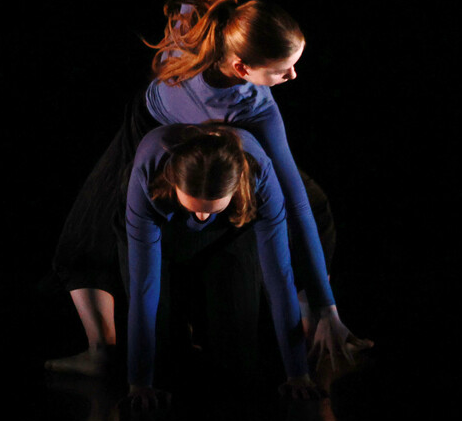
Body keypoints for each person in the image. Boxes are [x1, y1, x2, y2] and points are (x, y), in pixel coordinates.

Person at [46, 0, 370, 379]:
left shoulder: (256, 108)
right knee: (87, 235)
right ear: (243, 67)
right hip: (149, 127)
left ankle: (311, 326)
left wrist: (328, 306)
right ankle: (103, 352)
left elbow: (291, 200)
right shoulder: (201, 16)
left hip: (218, 146)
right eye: (283, 69)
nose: (293, 76)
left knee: (310, 208)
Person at [123, 124, 321, 406]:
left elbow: (279, 275)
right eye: (195, 207)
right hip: (163, 221)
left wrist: (298, 374)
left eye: (211, 208)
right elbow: (144, 286)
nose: (202, 217)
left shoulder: (260, 176)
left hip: (230, 228)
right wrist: (139, 383)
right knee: (164, 358)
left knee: (238, 359)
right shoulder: (149, 172)